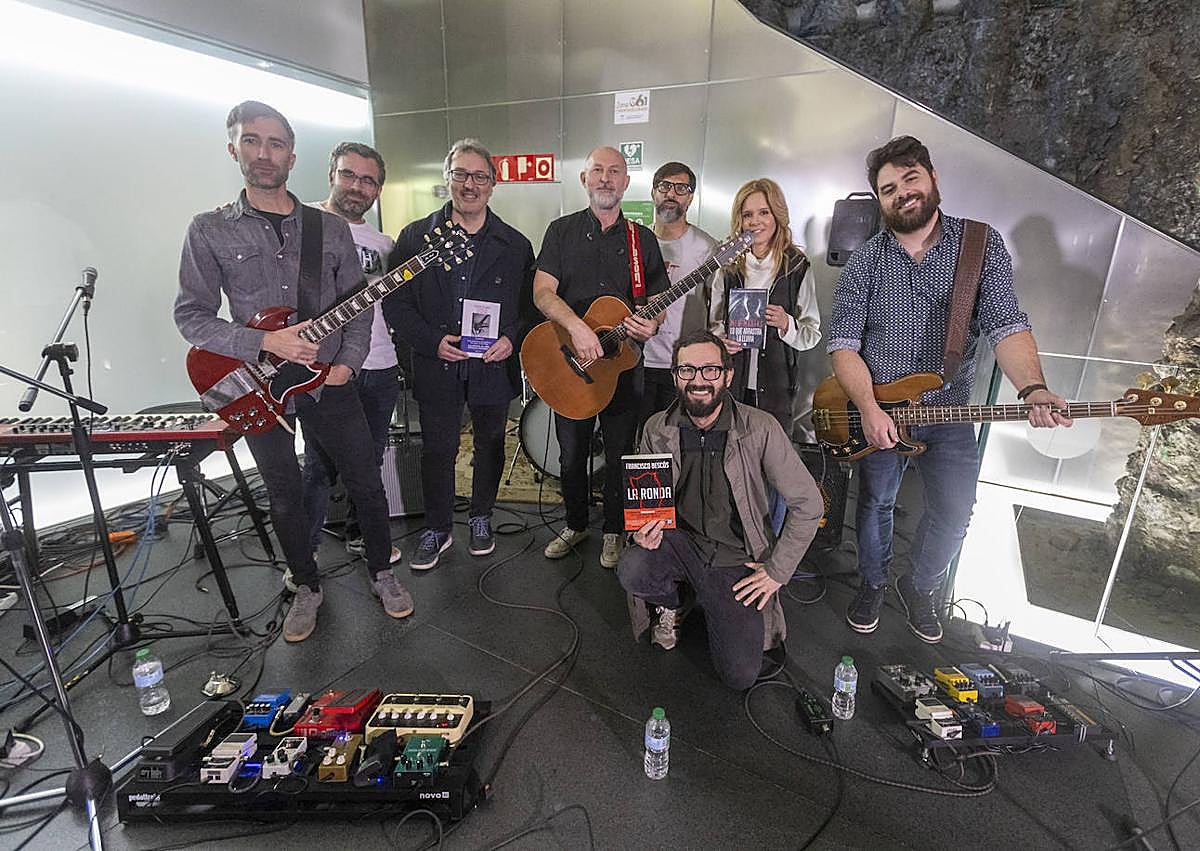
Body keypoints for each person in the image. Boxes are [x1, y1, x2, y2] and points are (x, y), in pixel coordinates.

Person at [175, 101, 413, 643]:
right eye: (252, 141)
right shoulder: (209, 229)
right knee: (283, 493)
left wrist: (348, 365)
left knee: (366, 483)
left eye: (275, 143)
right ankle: (306, 587)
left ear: (291, 155)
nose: (264, 153)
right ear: (233, 147)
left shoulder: (328, 229)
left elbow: (361, 302)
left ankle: (382, 572)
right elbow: (191, 316)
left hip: (326, 378)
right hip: (257, 385)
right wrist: (262, 340)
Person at [828, 135, 1071, 643]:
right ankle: (872, 582)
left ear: (933, 177)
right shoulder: (866, 261)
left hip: (950, 415)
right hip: (880, 416)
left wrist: (1032, 388)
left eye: (910, 179)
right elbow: (844, 345)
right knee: (873, 505)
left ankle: (920, 587)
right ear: (880, 199)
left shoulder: (979, 245)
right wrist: (870, 408)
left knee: (955, 513)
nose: (902, 193)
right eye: (888, 188)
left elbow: (1006, 324)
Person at [617, 330, 823, 689]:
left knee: (739, 676)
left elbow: (809, 504)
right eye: (687, 371)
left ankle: (709, 599)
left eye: (710, 370)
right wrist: (640, 530)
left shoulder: (761, 428)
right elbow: (644, 498)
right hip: (679, 544)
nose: (698, 381)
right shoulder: (656, 427)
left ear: (728, 375)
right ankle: (675, 602)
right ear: (675, 376)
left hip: (735, 559)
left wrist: (777, 571)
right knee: (633, 567)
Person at [386, 139, 535, 570]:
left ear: (493, 184)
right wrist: (431, 342)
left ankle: (482, 516)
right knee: (438, 449)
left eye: (479, 177)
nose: (470, 185)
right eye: (461, 175)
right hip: (438, 364)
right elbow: (395, 302)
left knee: (490, 443)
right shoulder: (416, 238)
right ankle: (437, 528)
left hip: (492, 365)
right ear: (447, 178)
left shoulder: (516, 244)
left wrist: (510, 337)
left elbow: (531, 306)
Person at [533, 146, 670, 569]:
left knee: (620, 455)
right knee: (571, 455)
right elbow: (542, 292)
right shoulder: (560, 231)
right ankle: (575, 524)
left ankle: (613, 530)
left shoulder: (641, 239)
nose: (606, 178)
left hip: (623, 368)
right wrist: (576, 326)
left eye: (615, 172)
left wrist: (654, 322)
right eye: (597, 171)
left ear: (626, 183)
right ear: (584, 180)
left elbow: (659, 297)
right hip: (568, 363)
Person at [301, 142, 403, 570]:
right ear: (331, 174)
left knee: (371, 460)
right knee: (319, 465)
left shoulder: (384, 243)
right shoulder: (302, 225)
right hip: (319, 368)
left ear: (378, 188)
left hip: (379, 366)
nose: (357, 186)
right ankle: (303, 555)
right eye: (349, 174)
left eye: (368, 179)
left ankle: (362, 535)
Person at [708, 178, 821, 438]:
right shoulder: (727, 263)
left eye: (763, 212)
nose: (755, 221)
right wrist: (720, 341)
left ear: (777, 215)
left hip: (777, 386)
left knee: (772, 460)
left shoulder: (796, 266)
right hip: (731, 382)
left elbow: (811, 334)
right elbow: (713, 323)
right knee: (730, 454)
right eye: (747, 214)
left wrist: (786, 324)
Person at [637, 161, 717, 430]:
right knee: (636, 436)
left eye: (681, 188)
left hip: (684, 364)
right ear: (653, 193)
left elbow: (717, 307)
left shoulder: (707, 248)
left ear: (691, 197)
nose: (672, 194)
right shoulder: (637, 244)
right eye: (664, 186)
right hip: (638, 360)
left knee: (677, 438)